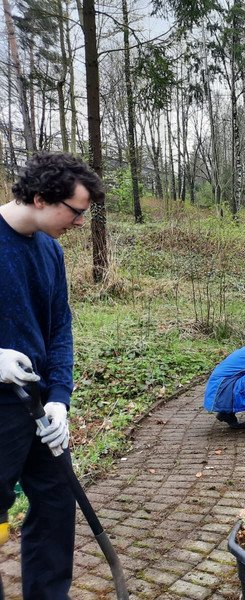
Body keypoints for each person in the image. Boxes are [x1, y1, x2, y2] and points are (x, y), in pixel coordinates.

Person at [0, 152, 103, 599]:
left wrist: (59, 396)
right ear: (41, 198)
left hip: (38, 405)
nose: (80, 223)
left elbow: (60, 326)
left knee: (57, 502)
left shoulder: (50, 250)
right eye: (76, 212)